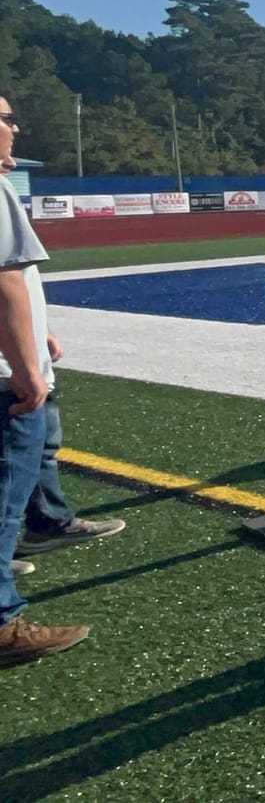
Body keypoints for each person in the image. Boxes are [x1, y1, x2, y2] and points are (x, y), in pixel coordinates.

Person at [0, 94, 119, 667]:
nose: (15, 128)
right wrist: (24, 366)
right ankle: (3, 623)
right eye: (5, 119)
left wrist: (36, 332)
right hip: (6, 377)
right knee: (5, 497)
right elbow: (5, 281)